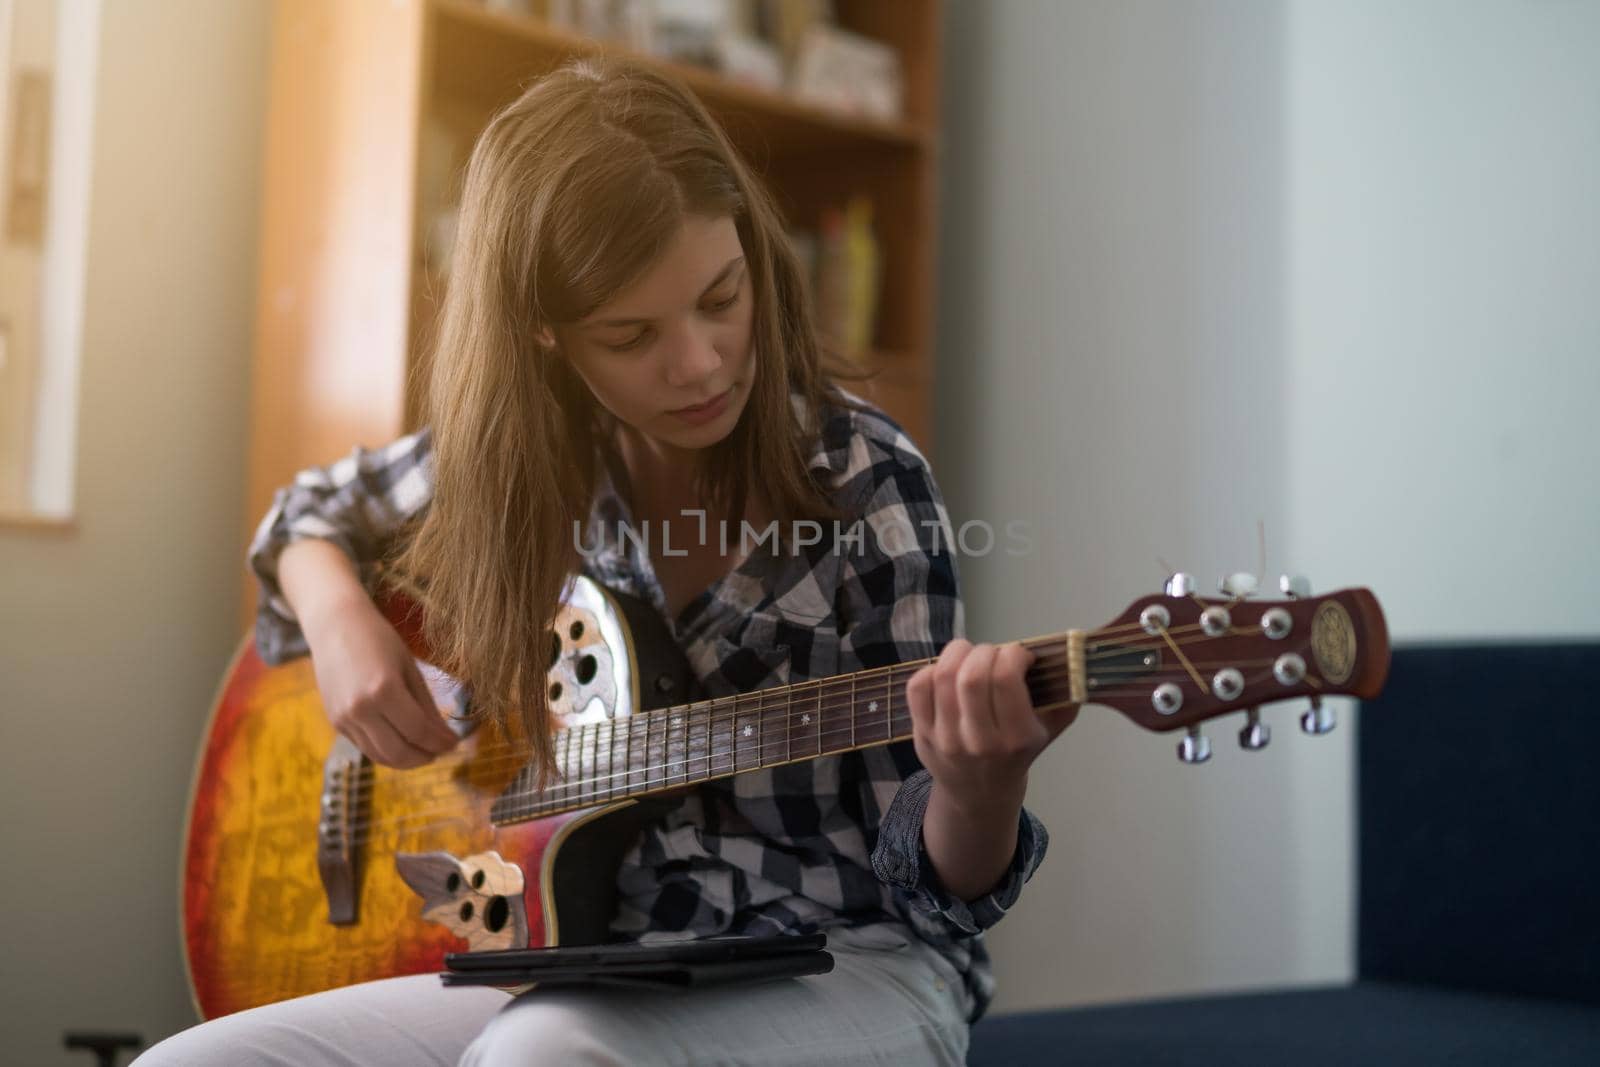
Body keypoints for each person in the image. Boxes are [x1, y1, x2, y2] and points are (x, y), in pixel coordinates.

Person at [138, 56, 1076, 1066]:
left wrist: (981, 785)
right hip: (586, 954)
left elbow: (934, 889)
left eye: (722, 295)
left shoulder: (865, 482)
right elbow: (307, 515)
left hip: (847, 960)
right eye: (631, 333)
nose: (701, 360)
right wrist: (341, 626)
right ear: (544, 336)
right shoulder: (530, 452)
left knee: (546, 1053)